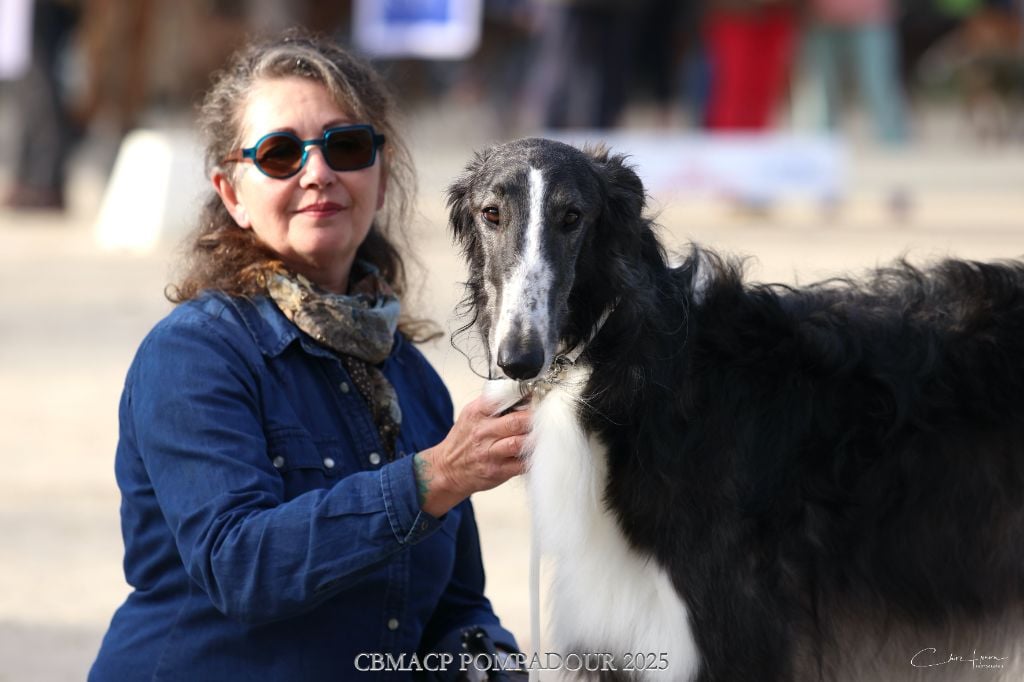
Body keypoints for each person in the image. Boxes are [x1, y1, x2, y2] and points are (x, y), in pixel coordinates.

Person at [89, 31, 531, 681]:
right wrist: (427, 481)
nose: (318, 172)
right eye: (280, 153)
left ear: (379, 179)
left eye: (346, 146)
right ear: (231, 192)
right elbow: (240, 565)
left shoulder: (411, 376)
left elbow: (455, 606)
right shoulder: (194, 354)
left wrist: (486, 659)